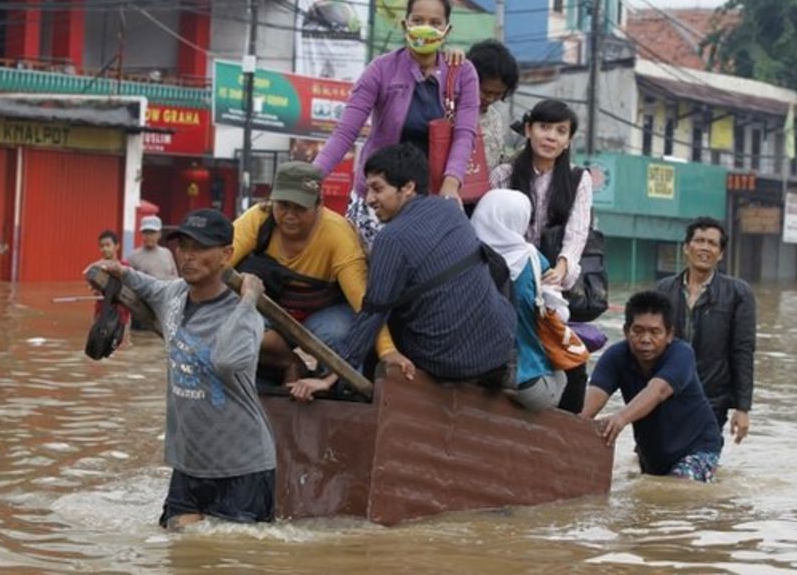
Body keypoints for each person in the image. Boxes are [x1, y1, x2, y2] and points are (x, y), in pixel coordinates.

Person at [289, 144, 516, 401]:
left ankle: (353, 394)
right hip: (500, 344)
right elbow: (493, 266)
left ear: (407, 188)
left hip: (446, 361)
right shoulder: (451, 210)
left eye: (378, 188)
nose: (370, 199)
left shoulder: (392, 239)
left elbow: (372, 313)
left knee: (376, 323)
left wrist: (331, 375)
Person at [95, 209, 276, 530]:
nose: (188, 257)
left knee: (232, 558)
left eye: (199, 248)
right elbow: (149, 285)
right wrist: (118, 271)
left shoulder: (244, 312)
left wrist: (249, 299)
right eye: (183, 246)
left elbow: (227, 360)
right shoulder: (175, 295)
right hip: (190, 464)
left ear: (226, 255)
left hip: (241, 466)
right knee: (180, 548)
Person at [312, 0, 481, 248]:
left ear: (447, 30)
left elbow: (465, 134)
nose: (426, 28)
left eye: (435, 23)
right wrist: (311, 177)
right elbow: (346, 132)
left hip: (432, 197)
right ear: (405, 25)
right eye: (418, 21)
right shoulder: (380, 69)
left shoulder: (463, 73)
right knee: (366, 266)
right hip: (379, 195)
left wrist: (450, 185)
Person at [230, 161, 398, 383]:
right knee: (237, 325)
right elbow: (219, 261)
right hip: (272, 308)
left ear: (319, 205)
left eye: (299, 208)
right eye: (283, 205)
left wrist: (388, 352)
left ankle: (336, 394)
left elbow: (363, 302)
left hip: (324, 313)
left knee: (343, 336)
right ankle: (284, 368)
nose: (289, 215)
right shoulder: (258, 218)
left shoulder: (337, 235)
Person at [490, 99, 594, 415]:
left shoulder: (578, 179)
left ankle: (566, 438)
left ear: (568, 140)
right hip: (505, 280)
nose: (551, 137)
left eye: (560, 131)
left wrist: (562, 266)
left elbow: (578, 231)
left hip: (550, 284)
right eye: (544, 127)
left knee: (574, 366)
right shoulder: (504, 174)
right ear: (528, 130)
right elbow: (489, 226)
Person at [581, 291, 723, 483]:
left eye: (655, 332)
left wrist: (620, 418)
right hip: (653, 455)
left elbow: (657, 391)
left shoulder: (681, 355)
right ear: (626, 332)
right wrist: (577, 425)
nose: (645, 339)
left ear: (669, 334)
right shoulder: (615, 357)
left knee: (672, 493)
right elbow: (594, 397)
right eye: (638, 331)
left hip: (698, 447)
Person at [655, 217, 756, 444]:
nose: (704, 248)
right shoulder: (663, 290)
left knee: (698, 461)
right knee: (652, 463)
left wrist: (743, 408)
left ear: (720, 254)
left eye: (712, 244)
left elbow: (743, 351)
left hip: (711, 399)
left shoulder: (738, 294)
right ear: (686, 248)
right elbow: (649, 344)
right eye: (699, 241)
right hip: (663, 393)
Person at [471, 189, 567, 411]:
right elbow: (560, 316)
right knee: (562, 379)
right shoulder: (533, 260)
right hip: (524, 381)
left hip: (469, 369)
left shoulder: (464, 255)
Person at [467, 39, 519, 171]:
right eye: (485, 91)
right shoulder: (447, 111)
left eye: (498, 94)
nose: (490, 99)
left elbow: (495, 163)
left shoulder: (494, 118)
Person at [94, 230, 132, 346]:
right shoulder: (96, 267)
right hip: (102, 313)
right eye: (102, 246)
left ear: (117, 246)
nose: (105, 249)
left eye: (108, 245)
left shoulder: (124, 267)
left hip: (122, 314)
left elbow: (130, 288)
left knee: (123, 344)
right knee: (100, 345)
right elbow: (94, 290)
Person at [128, 215, 178, 280]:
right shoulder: (134, 256)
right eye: (146, 233)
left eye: (152, 232)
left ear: (159, 234)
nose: (148, 236)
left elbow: (175, 277)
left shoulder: (167, 253)